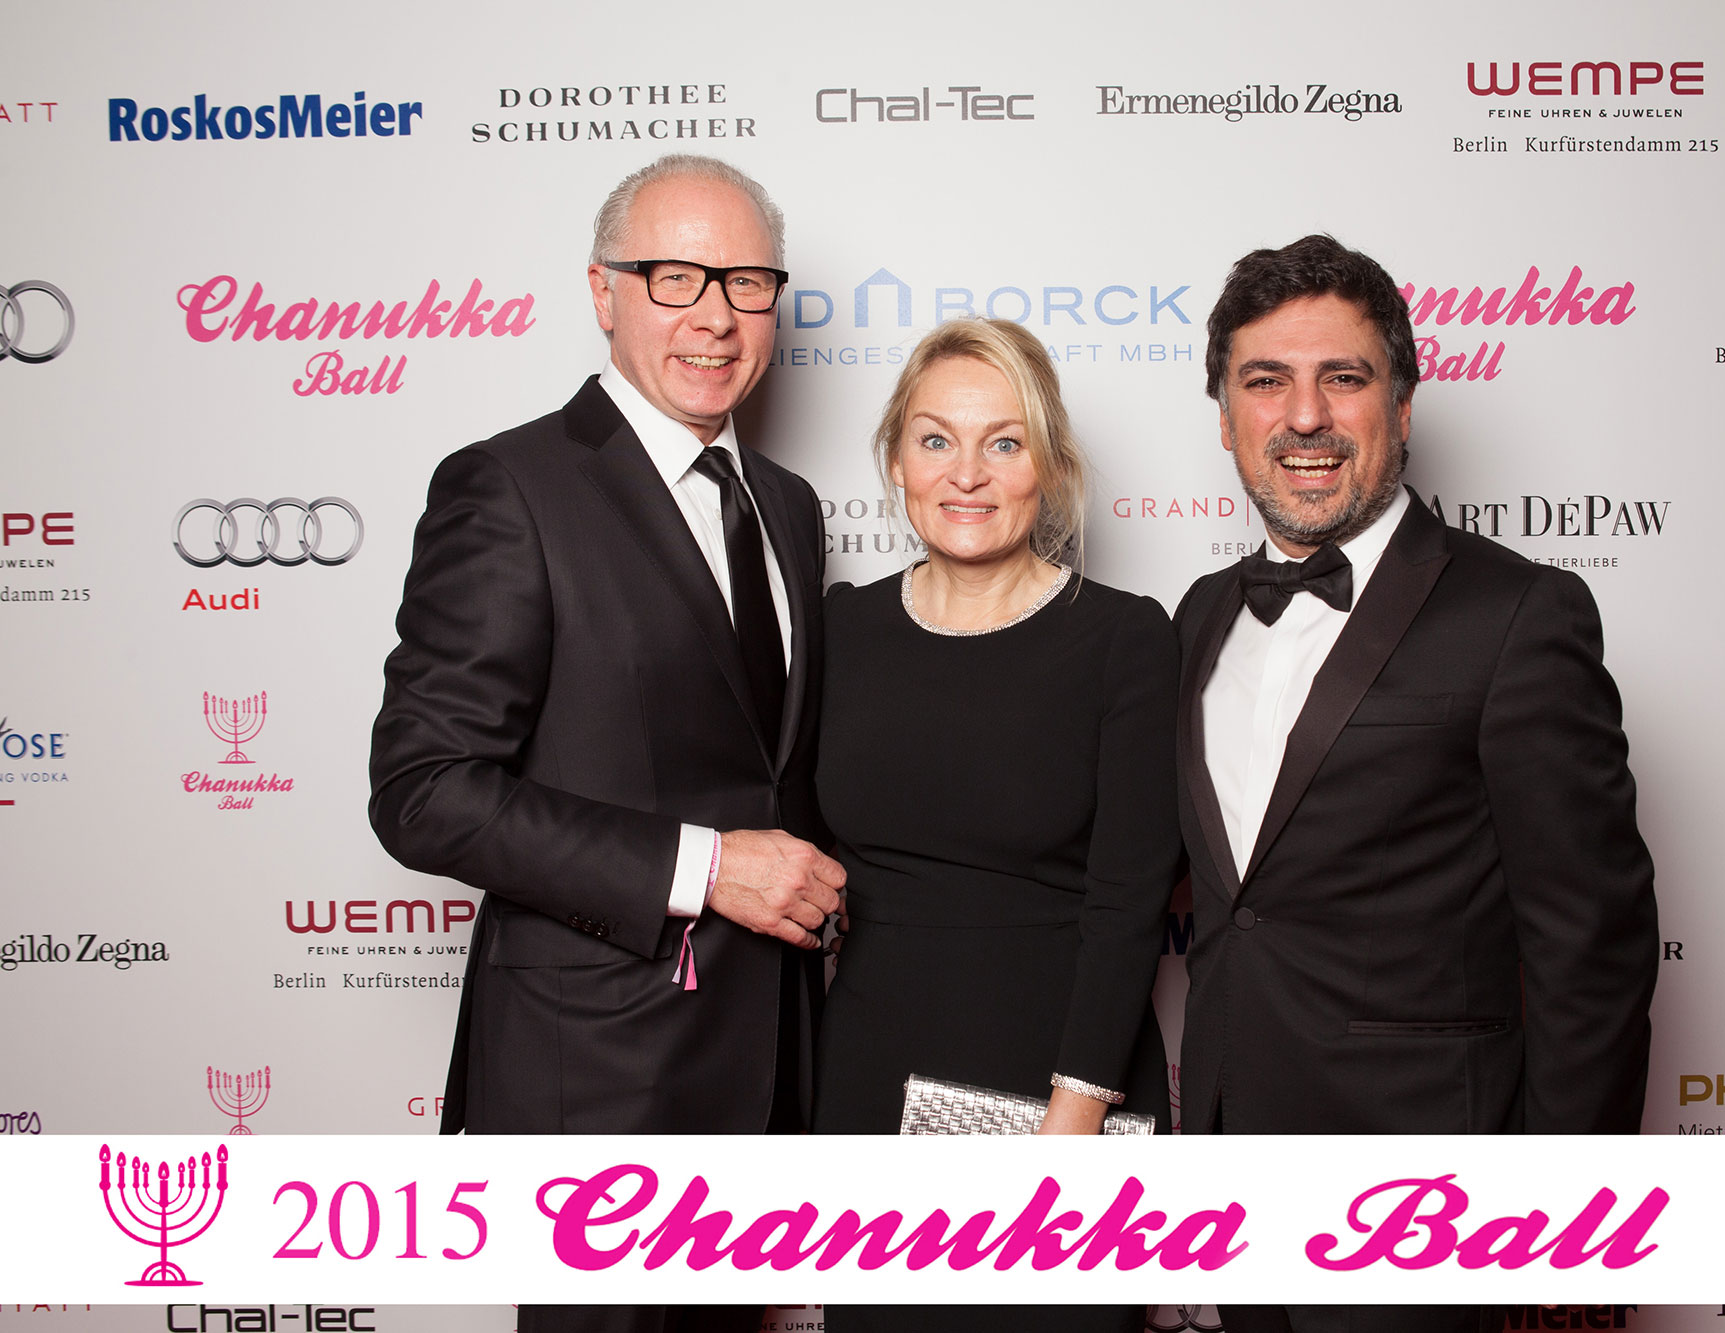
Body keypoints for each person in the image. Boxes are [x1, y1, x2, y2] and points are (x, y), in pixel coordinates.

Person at [368, 154, 842, 1333]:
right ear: (602, 291)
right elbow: (423, 789)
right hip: (597, 1080)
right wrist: (706, 867)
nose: (714, 315)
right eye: (674, 275)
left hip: (764, 1071)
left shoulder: (786, 504)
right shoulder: (509, 487)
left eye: (746, 282)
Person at [1175, 236, 1659, 1333]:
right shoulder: (1200, 617)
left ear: (1400, 407)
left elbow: (1592, 942)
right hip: (1233, 1182)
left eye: (1342, 378)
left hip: (1430, 1194)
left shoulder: (1516, 614)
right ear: (1225, 418)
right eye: (1266, 381)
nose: (1304, 416)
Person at [811, 317, 1179, 1333]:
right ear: (895, 459)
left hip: (1061, 1092)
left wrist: (1071, 1124)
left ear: (1047, 466)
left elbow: (1128, 902)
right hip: (870, 1085)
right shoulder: (840, 629)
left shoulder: (1123, 638)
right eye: (935, 439)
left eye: (1003, 442)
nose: (965, 473)